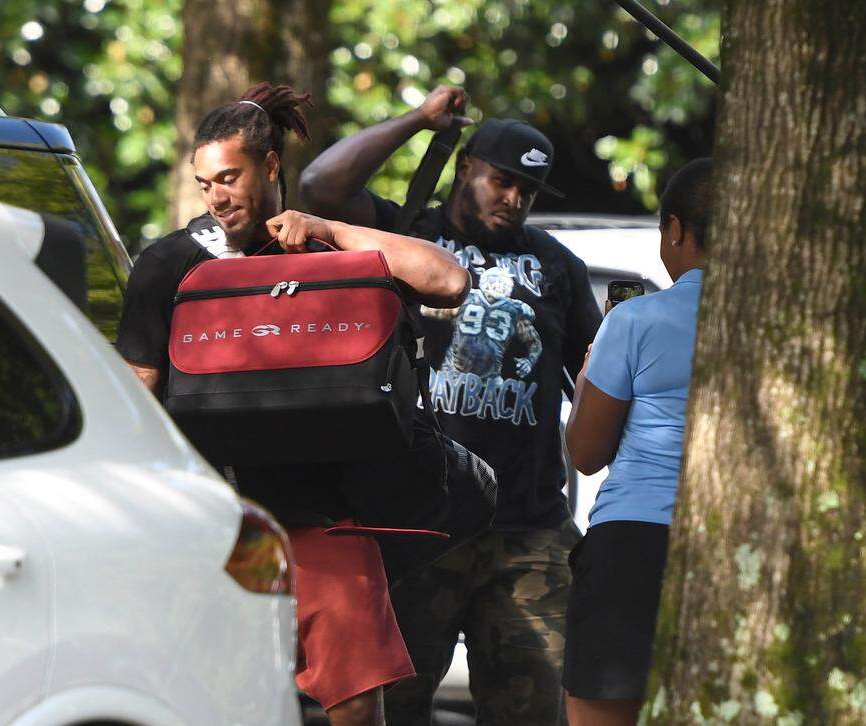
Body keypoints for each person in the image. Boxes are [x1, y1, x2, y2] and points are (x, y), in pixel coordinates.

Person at [115, 83, 469, 726]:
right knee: (224, 700)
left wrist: (329, 229)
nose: (217, 197)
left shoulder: (324, 249)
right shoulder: (167, 264)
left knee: (357, 702)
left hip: (324, 519)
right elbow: (137, 393)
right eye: (204, 183)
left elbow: (448, 280)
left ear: (271, 166)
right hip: (223, 523)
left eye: (230, 177)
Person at [299, 85, 601, 724]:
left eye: (527, 190)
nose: (513, 198)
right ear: (465, 167)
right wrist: (418, 119)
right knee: (393, 707)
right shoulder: (406, 232)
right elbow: (320, 187)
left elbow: (594, 383)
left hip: (529, 530)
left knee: (539, 710)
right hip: (419, 521)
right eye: (502, 179)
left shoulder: (558, 267)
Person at [561, 158, 712, 725]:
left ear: (675, 229)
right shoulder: (778, 324)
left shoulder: (635, 320)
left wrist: (585, 377)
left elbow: (586, 451)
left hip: (635, 543)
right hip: (737, 538)